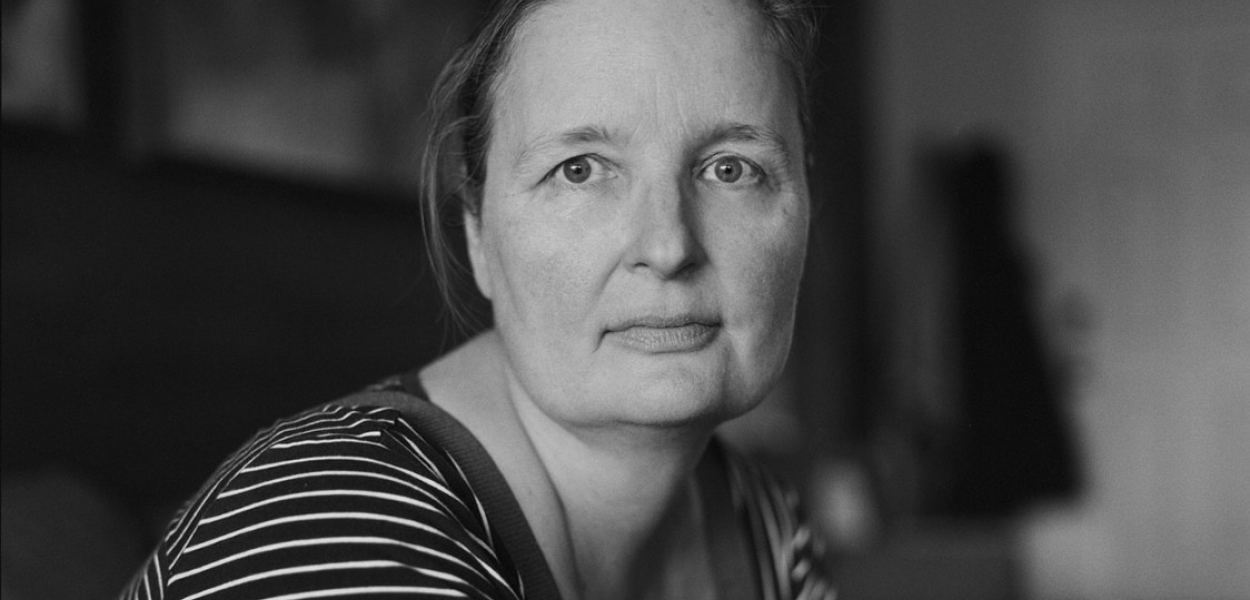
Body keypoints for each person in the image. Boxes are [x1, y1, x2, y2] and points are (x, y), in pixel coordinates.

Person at [120, 0, 834, 598]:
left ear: (806, 203)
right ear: (478, 233)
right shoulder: (335, 525)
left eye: (732, 168)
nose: (669, 245)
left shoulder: (762, 525)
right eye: (579, 171)